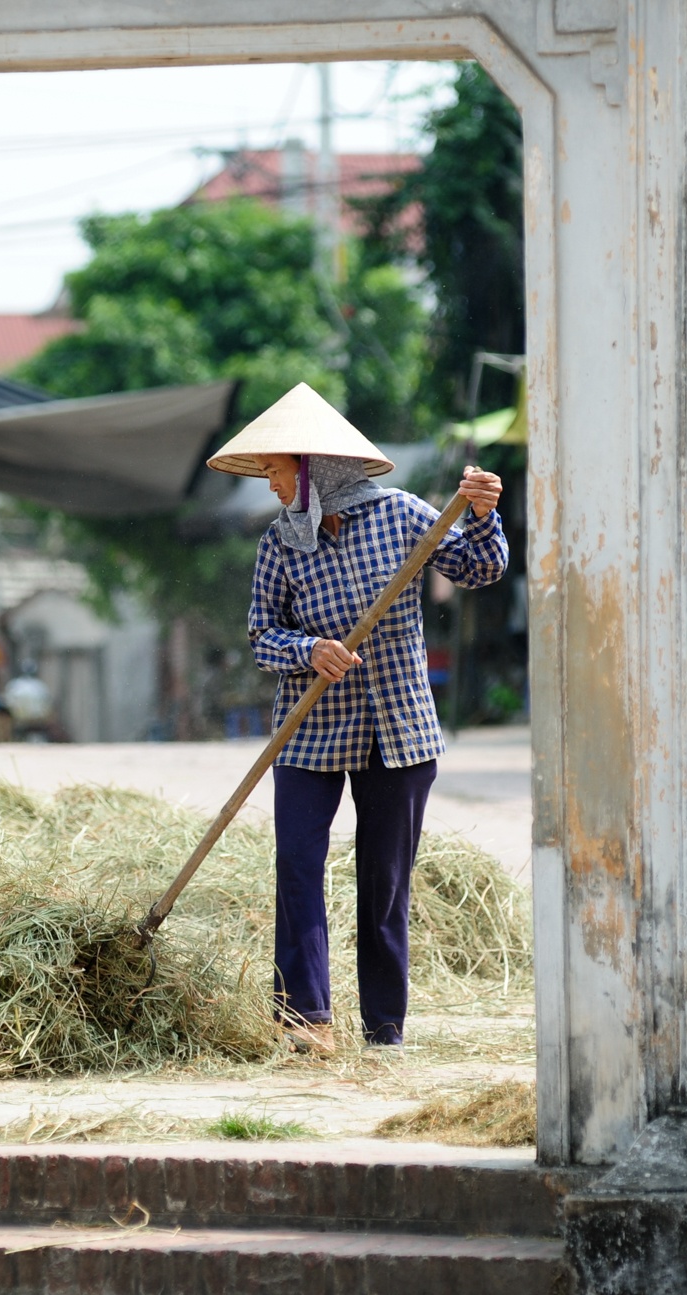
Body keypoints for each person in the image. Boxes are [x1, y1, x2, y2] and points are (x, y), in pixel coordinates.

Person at [206, 383, 508, 1052]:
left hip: (398, 730)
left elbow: (480, 566)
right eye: (266, 473)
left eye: (278, 469)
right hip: (309, 731)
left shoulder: (402, 516)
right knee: (297, 866)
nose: (272, 482)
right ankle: (306, 1020)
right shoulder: (278, 546)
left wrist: (483, 514)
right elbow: (261, 635)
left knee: (384, 881)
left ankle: (384, 1030)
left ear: (314, 468)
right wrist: (307, 649)